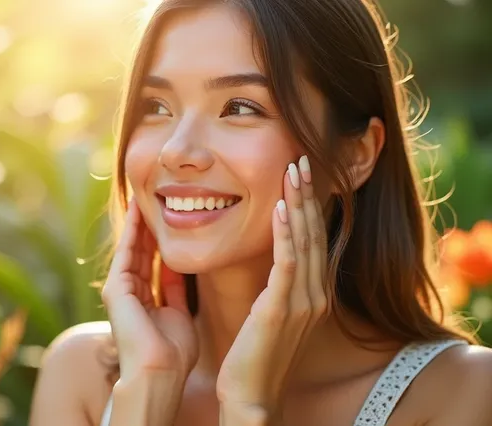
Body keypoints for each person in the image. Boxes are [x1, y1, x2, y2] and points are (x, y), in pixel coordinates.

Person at [30, 0, 492, 425]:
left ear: (354, 155)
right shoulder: (82, 378)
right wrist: (144, 396)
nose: (175, 151)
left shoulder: (458, 394)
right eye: (156, 106)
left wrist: (250, 410)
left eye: (239, 107)